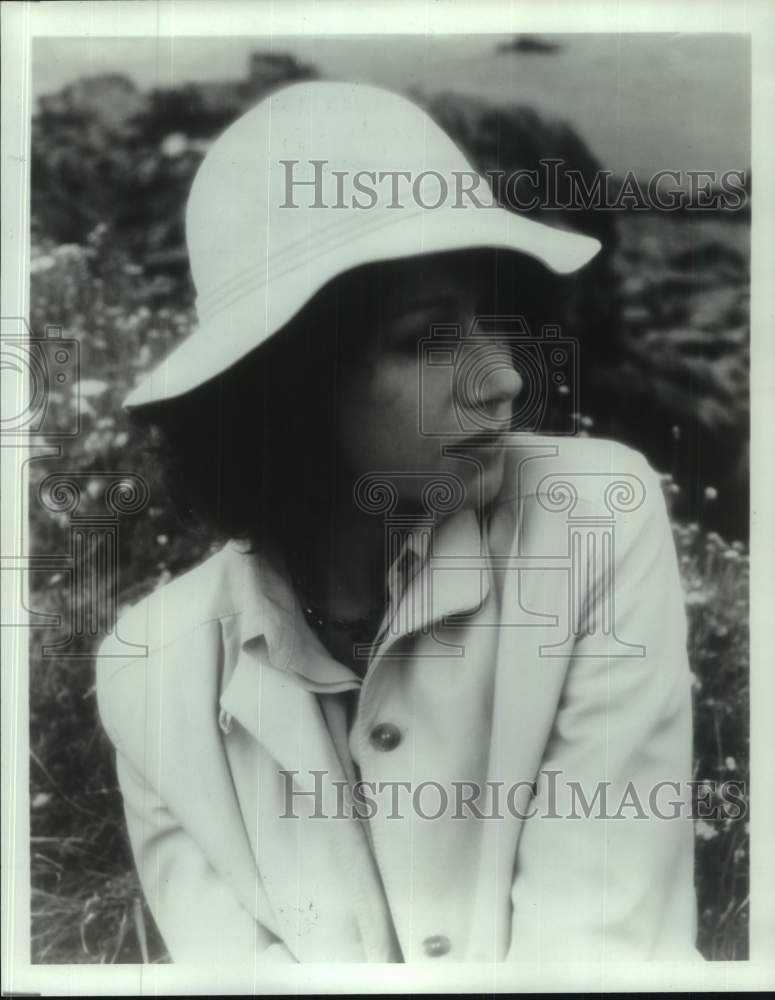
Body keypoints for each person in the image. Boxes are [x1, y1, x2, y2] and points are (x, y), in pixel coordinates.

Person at [95, 80, 699, 964]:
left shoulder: (592, 523)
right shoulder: (152, 676)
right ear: (289, 392)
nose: (503, 382)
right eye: (425, 342)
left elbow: (596, 943)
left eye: (492, 326)